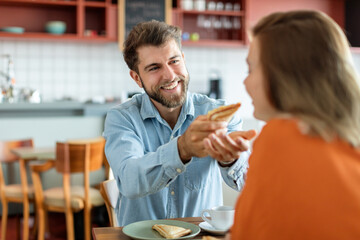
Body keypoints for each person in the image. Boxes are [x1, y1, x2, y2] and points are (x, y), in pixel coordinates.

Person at [214, 10, 360, 239]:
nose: (245, 81)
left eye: (251, 69)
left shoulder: (280, 137)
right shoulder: (346, 137)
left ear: (283, 75)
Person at [103, 20, 256, 226]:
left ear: (183, 59)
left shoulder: (218, 113)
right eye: (154, 67)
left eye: (174, 61)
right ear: (137, 78)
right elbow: (130, 181)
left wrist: (231, 159)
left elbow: (250, 183)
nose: (170, 75)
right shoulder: (121, 119)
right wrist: (182, 149)